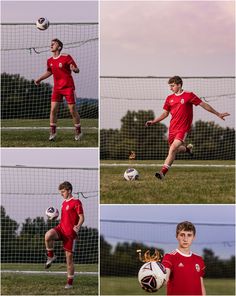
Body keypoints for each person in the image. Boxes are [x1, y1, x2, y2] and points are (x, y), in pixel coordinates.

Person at [145, 76, 230, 180]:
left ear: (179, 85)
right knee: (174, 150)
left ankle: (162, 173)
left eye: (172, 86)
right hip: (172, 129)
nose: (170, 88)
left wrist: (218, 113)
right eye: (170, 86)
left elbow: (203, 104)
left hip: (183, 129)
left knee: (172, 149)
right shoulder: (169, 98)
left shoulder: (189, 95)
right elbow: (165, 114)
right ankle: (187, 149)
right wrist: (153, 121)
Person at [35, 39, 82, 141]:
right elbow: (49, 72)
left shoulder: (66, 57)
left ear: (59, 47)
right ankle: (53, 133)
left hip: (68, 87)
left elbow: (76, 69)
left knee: (72, 110)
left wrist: (75, 69)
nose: (51, 44)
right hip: (57, 88)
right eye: (51, 43)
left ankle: (78, 131)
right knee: (53, 110)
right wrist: (39, 79)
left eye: (54, 43)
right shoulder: (49, 61)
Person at [44, 181, 84, 289]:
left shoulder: (76, 202)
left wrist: (78, 226)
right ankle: (51, 256)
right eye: (60, 192)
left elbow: (81, 217)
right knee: (48, 235)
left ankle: (69, 283)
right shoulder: (63, 203)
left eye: (63, 191)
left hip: (70, 234)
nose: (61, 194)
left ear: (69, 190)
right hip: (61, 229)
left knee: (69, 259)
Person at [162, 221, 206, 295]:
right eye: (182, 235)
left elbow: (201, 286)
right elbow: (164, 278)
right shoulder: (170, 257)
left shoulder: (199, 259)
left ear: (193, 237)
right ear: (177, 236)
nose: (185, 239)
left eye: (189, 235)